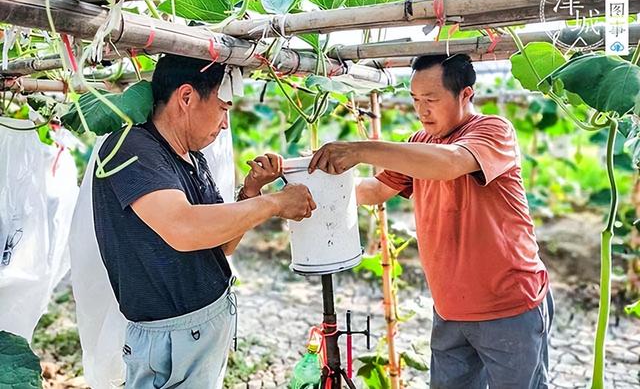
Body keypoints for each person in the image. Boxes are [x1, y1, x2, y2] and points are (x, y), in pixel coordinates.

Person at [309, 54, 553, 388]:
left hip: (508, 306)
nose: (421, 110)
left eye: (431, 100)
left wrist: (360, 150)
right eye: (415, 100)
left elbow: (451, 163)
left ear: (466, 94)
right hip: (450, 309)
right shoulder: (419, 143)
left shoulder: (493, 131)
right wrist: (305, 191)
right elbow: (374, 189)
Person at [92, 54, 316, 388]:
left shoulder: (193, 157)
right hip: (169, 336)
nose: (225, 123)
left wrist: (251, 191)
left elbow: (222, 244)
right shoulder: (131, 148)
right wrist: (275, 204)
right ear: (186, 97)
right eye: (224, 108)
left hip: (201, 323)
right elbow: (184, 229)